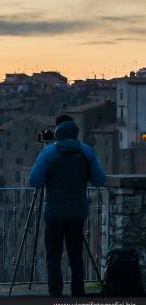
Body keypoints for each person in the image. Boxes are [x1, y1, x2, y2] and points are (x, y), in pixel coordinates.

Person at [29, 114, 106, 297]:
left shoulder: (48, 153)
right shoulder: (86, 151)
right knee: (76, 256)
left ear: (57, 131)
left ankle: (55, 293)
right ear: (75, 131)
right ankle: (78, 293)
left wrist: (50, 177)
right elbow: (100, 180)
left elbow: (34, 180)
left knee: (53, 256)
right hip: (77, 213)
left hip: (54, 214)